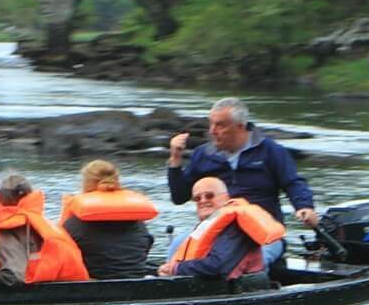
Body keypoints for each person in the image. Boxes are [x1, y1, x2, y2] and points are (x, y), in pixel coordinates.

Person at [166, 97, 318, 228]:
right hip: (215, 230)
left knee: (260, 253)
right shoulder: (203, 154)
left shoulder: (271, 151)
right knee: (177, 247)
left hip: (261, 230)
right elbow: (179, 197)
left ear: (240, 127)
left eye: (220, 125)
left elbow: (293, 183)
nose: (212, 131)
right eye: (211, 124)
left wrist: (304, 207)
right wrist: (175, 159)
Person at [161, 174, 292, 281]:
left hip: (240, 290)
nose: (203, 201)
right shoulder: (206, 227)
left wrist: (176, 269)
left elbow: (218, 266)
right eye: (197, 198)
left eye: (209, 195)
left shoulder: (236, 227)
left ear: (226, 198)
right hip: (210, 287)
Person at [61, 158, 159, 279]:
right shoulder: (138, 223)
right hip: (136, 282)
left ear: (86, 184)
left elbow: (61, 256)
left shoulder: (73, 224)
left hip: (94, 285)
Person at [0, 172, 89, 285]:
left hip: (50, 291)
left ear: (1, 200)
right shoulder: (44, 222)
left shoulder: (11, 227)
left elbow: (15, 276)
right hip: (77, 285)